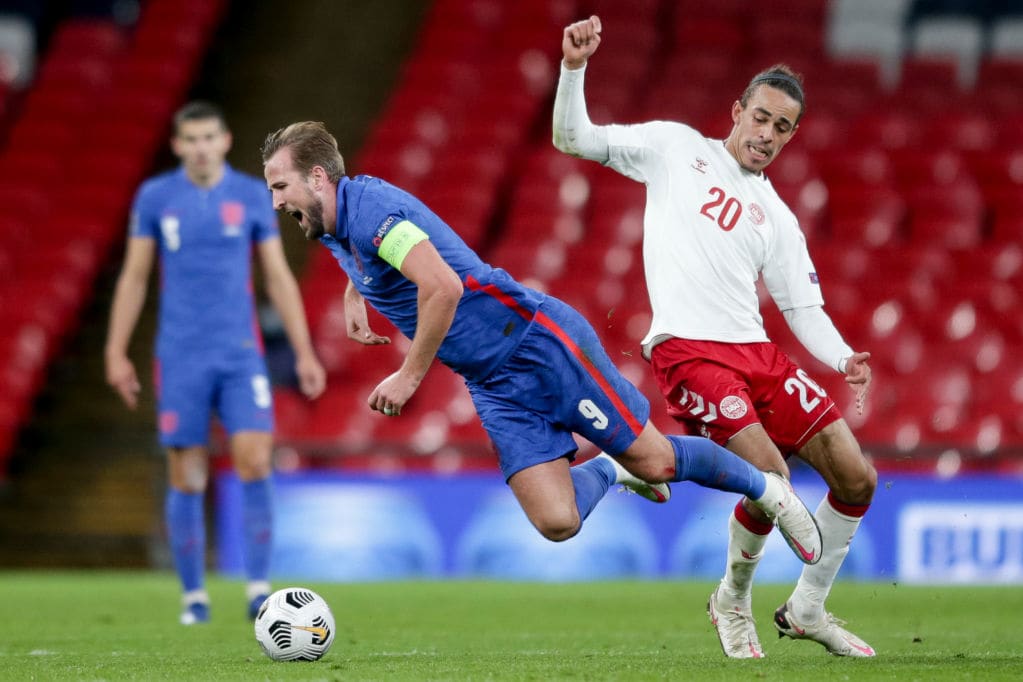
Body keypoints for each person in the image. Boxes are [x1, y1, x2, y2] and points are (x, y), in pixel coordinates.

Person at [260, 121, 823, 576]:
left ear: (317, 176)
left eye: (281, 186)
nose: (276, 200)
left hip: (537, 345)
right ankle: (612, 471)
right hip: (492, 381)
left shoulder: (370, 212)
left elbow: (443, 286)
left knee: (656, 460)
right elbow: (377, 253)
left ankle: (773, 492)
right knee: (557, 521)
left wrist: (409, 375)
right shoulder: (335, 221)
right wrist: (357, 292)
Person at [552, 16, 877, 659]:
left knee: (857, 478)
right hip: (690, 350)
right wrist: (573, 68)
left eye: (782, 127)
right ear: (737, 111)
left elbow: (801, 306)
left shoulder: (777, 217)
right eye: (761, 118)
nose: (767, 135)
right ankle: (731, 600)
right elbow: (573, 138)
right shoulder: (676, 147)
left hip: (757, 352)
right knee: (771, 478)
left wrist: (843, 356)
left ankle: (807, 608)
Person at [105, 101, 326, 625]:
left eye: (209, 137)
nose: (201, 147)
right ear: (178, 145)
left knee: (255, 459)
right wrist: (115, 350)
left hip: (239, 354)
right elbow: (135, 277)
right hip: (180, 354)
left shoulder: (250, 196)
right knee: (186, 473)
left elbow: (277, 276)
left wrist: (303, 351)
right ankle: (194, 598)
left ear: (224, 141)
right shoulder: (156, 198)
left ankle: (258, 589)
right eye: (191, 139)